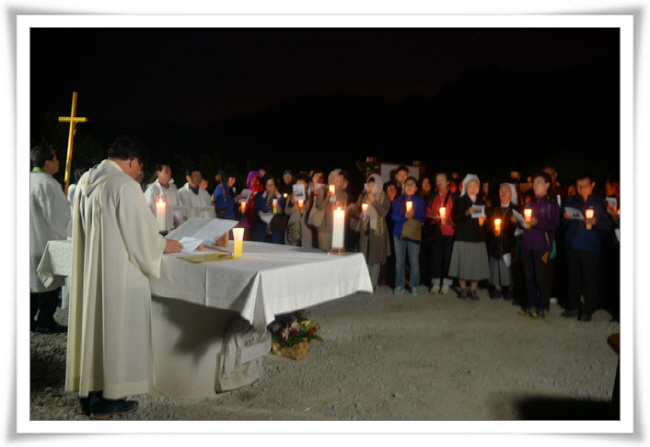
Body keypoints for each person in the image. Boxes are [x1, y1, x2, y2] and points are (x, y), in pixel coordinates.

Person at [65, 135, 183, 419]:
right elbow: (141, 234)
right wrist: (161, 244)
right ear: (132, 161)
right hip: (118, 273)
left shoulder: (87, 179)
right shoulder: (124, 185)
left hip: (94, 272)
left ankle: (90, 396)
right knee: (115, 331)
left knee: (95, 330)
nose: (138, 173)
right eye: (139, 167)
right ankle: (108, 398)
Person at [560, 172, 613, 322]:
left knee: (589, 279)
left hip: (590, 246)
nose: (581, 189)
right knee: (573, 277)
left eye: (585, 186)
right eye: (579, 186)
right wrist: (565, 218)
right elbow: (562, 223)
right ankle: (573, 305)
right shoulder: (571, 200)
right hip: (572, 245)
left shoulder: (600, 202)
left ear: (592, 185)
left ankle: (588, 308)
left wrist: (596, 222)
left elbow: (608, 226)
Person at [30, 144, 71, 334]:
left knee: (30, 283)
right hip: (44, 241)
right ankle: (45, 322)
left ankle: (28, 322)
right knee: (48, 280)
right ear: (47, 163)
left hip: (26, 242)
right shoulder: (48, 184)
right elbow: (59, 217)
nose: (59, 162)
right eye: (56, 158)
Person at [516, 172, 560, 319]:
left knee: (541, 277)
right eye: (534, 183)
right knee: (529, 277)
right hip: (527, 245)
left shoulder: (551, 205)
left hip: (542, 245)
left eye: (539, 182)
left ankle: (544, 306)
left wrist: (537, 222)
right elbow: (523, 224)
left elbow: (554, 226)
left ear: (547, 185)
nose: (535, 185)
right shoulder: (529, 204)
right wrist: (517, 221)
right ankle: (531, 304)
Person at [448, 174, 490, 300]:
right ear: (465, 187)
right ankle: (463, 289)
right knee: (463, 263)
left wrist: (485, 218)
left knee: (476, 264)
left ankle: (473, 289)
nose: (472, 188)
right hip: (463, 235)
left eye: (475, 186)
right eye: (470, 186)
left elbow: (488, 219)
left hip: (478, 236)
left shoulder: (481, 202)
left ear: (478, 188)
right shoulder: (460, 201)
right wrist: (467, 212)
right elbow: (455, 217)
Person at [353, 173, 392, 289]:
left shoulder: (384, 197)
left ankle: (373, 282)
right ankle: (364, 281)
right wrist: (359, 214)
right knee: (364, 256)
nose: (370, 187)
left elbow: (384, 212)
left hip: (377, 231)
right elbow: (355, 210)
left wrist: (374, 201)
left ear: (378, 185)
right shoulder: (363, 195)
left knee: (375, 258)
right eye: (369, 185)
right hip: (364, 228)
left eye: (372, 185)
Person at [390, 176, 426, 295]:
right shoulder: (398, 200)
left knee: (414, 261)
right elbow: (392, 215)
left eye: (412, 185)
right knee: (399, 261)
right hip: (399, 232)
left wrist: (413, 214)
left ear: (416, 188)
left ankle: (414, 285)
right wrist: (404, 216)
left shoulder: (420, 201)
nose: (409, 187)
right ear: (404, 187)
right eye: (407, 184)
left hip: (413, 233)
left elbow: (422, 217)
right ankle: (399, 284)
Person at [485, 183, 518, 299]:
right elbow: (488, 224)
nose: (503, 193)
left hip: (509, 242)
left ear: (511, 193)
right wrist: (492, 229)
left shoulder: (515, 210)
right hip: (495, 242)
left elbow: (520, 227)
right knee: (495, 264)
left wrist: (513, 223)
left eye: (506, 191)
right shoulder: (493, 209)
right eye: (501, 191)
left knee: (510, 265)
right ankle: (497, 287)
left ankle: (510, 288)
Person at [426, 171, 456, 295]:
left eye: (442, 179)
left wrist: (448, 218)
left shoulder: (453, 197)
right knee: (435, 257)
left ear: (448, 182)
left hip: (449, 232)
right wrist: (434, 215)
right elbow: (427, 212)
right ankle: (436, 282)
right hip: (436, 231)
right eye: (437, 180)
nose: (439, 182)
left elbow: (457, 215)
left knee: (448, 258)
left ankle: (446, 283)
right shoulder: (432, 197)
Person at [314, 168, 349, 251]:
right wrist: (327, 197)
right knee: (324, 253)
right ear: (331, 179)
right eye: (336, 181)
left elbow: (343, 211)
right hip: (324, 229)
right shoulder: (323, 190)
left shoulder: (344, 195)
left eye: (341, 181)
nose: (338, 184)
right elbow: (319, 206)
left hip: (338, 229)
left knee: (336, 253)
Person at [143, 163, 180, 231]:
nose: (170, 173)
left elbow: (179, 206)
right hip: (159, 227)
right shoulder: (152, 189)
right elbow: (147, 209)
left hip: (174, 226)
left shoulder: (174, 188)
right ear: (158, 173)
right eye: (166, 171)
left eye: (170, 171)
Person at [253, 173, 285, 244]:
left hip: (276, 231)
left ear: (276, 185)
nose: (269, 188)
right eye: (267, 185)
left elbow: (284, 212)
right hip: (262, 230)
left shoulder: (281, 197)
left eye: (271, 185)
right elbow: (256, 208)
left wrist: (280, 210)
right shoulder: (260, 195)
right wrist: (259, 212)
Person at [283, 173, 311, 246]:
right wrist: (292, 201)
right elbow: (286, 211)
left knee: (305, 247)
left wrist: (306, 208)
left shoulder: (310, 197)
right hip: (294, 227)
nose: (299, 187)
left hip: (305, 229)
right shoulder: (291, 196)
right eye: (297, 185)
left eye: (302, 184)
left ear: (306, 185)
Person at [240, 171, 263, 240]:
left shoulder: (262, 191)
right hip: (247, 221)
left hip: (258, 221)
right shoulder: (246, 192)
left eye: (257, 180)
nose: (256, 182)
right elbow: (242, 205)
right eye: (254, 180)